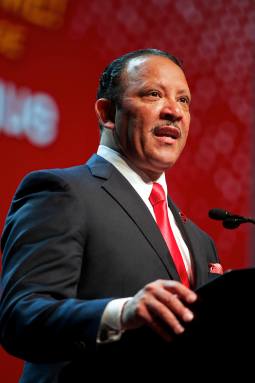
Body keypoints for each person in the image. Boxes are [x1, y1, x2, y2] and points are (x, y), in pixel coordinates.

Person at [0, 49, 222, 382]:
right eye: (153, 94)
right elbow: (21, 317)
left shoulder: (201, 243)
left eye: (184, 100)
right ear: (107, 112)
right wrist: (120, 313)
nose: (174, 111)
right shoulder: (61, 192)